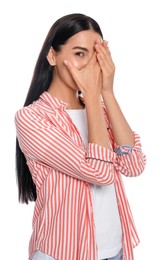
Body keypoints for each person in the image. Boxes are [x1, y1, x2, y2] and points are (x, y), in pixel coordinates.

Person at [15, 13, 146, 260]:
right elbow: (100, 173)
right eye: (79, 53)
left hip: (115, 250)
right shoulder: (32, 118)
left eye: (95, 55)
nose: (88, 64)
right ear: (53, 56)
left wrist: (106, 92)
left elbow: (133, 165)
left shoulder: (102, 109)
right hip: (63, 251)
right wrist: (93, 94)